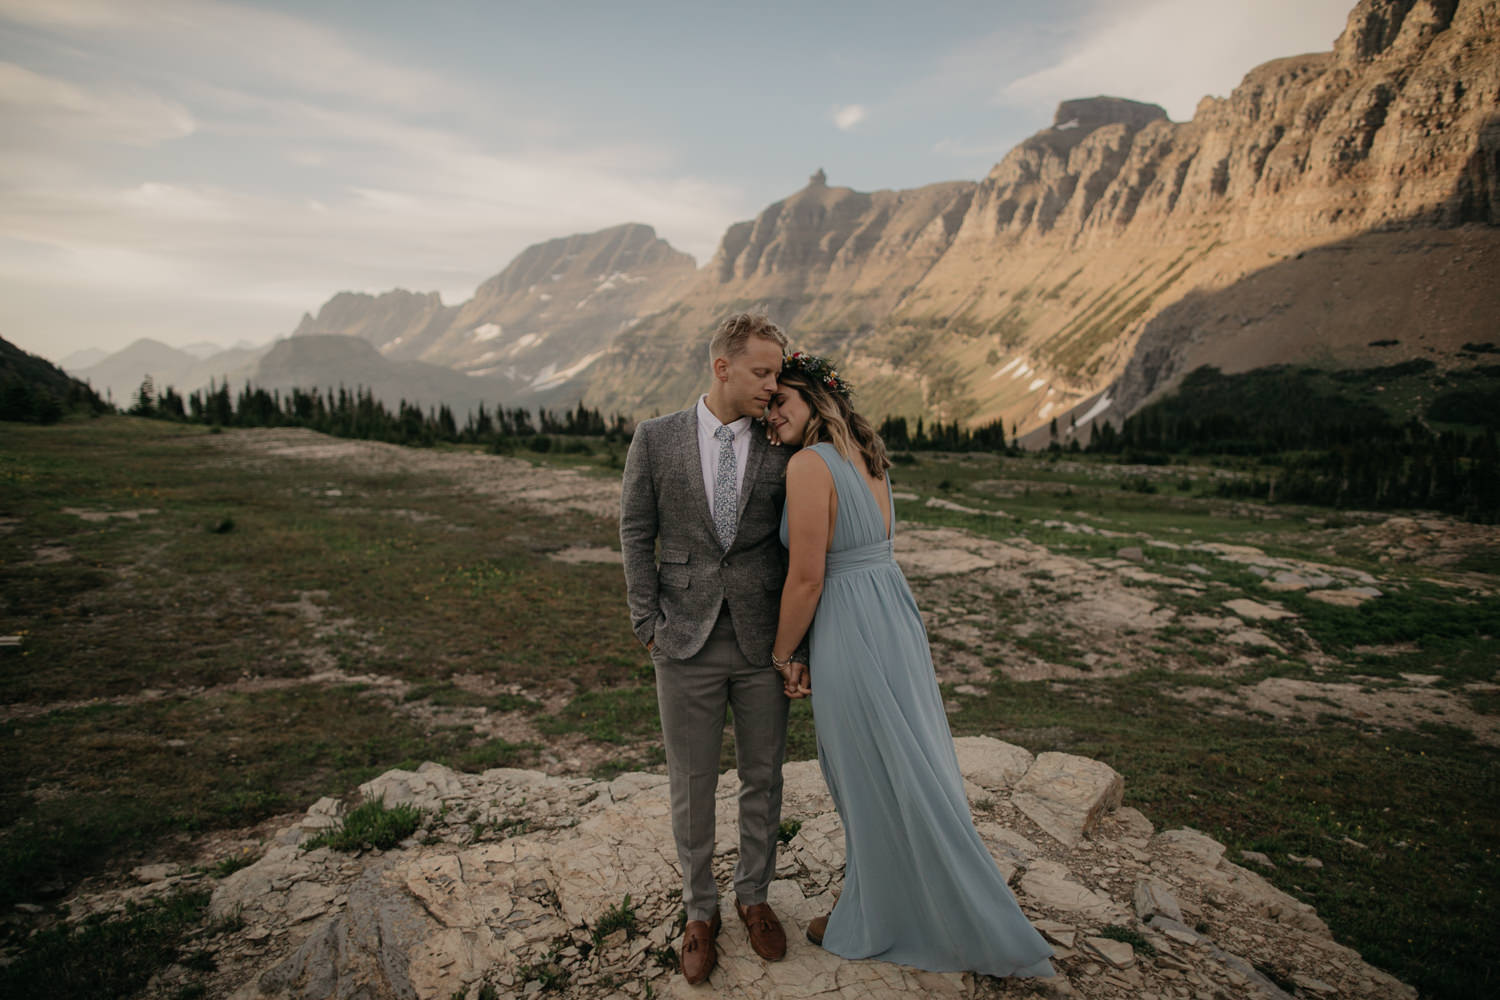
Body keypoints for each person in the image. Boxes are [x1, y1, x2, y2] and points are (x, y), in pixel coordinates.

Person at [764, 351, 1055, 978]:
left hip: (850, 623)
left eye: (779, 403)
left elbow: (808, 578)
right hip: (892, 616)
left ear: (814, 400)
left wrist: (784, 654)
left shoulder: (810, 465)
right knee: (908, 760)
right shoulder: (868, 457)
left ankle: (883, 914)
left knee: (866, 771)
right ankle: (896, 896)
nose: (771, 419)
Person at [618, 313, 806, 985]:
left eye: (778, 373)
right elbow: (637, 531)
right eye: (762, 372)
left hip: (763, 642)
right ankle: (700, 913)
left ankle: (753, 898)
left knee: (765, 777)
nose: (772, 385)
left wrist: (797, 646)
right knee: (691, 784)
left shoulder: (782, 439)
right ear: (722, 368)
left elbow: (798, 541)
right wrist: (648, 624)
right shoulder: (656, 438)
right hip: (683, 641)